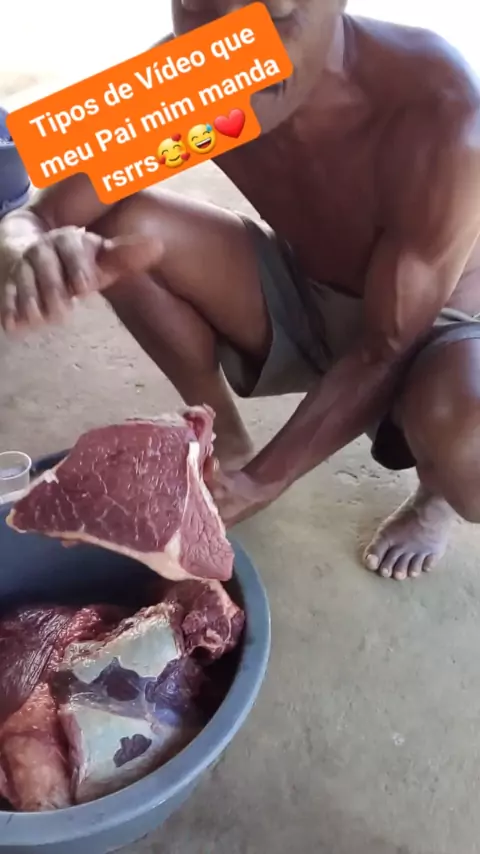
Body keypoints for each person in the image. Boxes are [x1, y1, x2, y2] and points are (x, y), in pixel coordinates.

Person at [1, 0, 480, 582]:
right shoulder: (188, 80)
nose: (233, 48)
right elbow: (42, 214)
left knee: (468, 443)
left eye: (274, 13)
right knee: (117, 232)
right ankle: (221, 437)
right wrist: (19, 247)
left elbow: (386, 345)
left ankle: (435, 498)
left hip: (439, 325)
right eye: (199, 4)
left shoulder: (440, 108)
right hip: (306, 285)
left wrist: (264, 482)